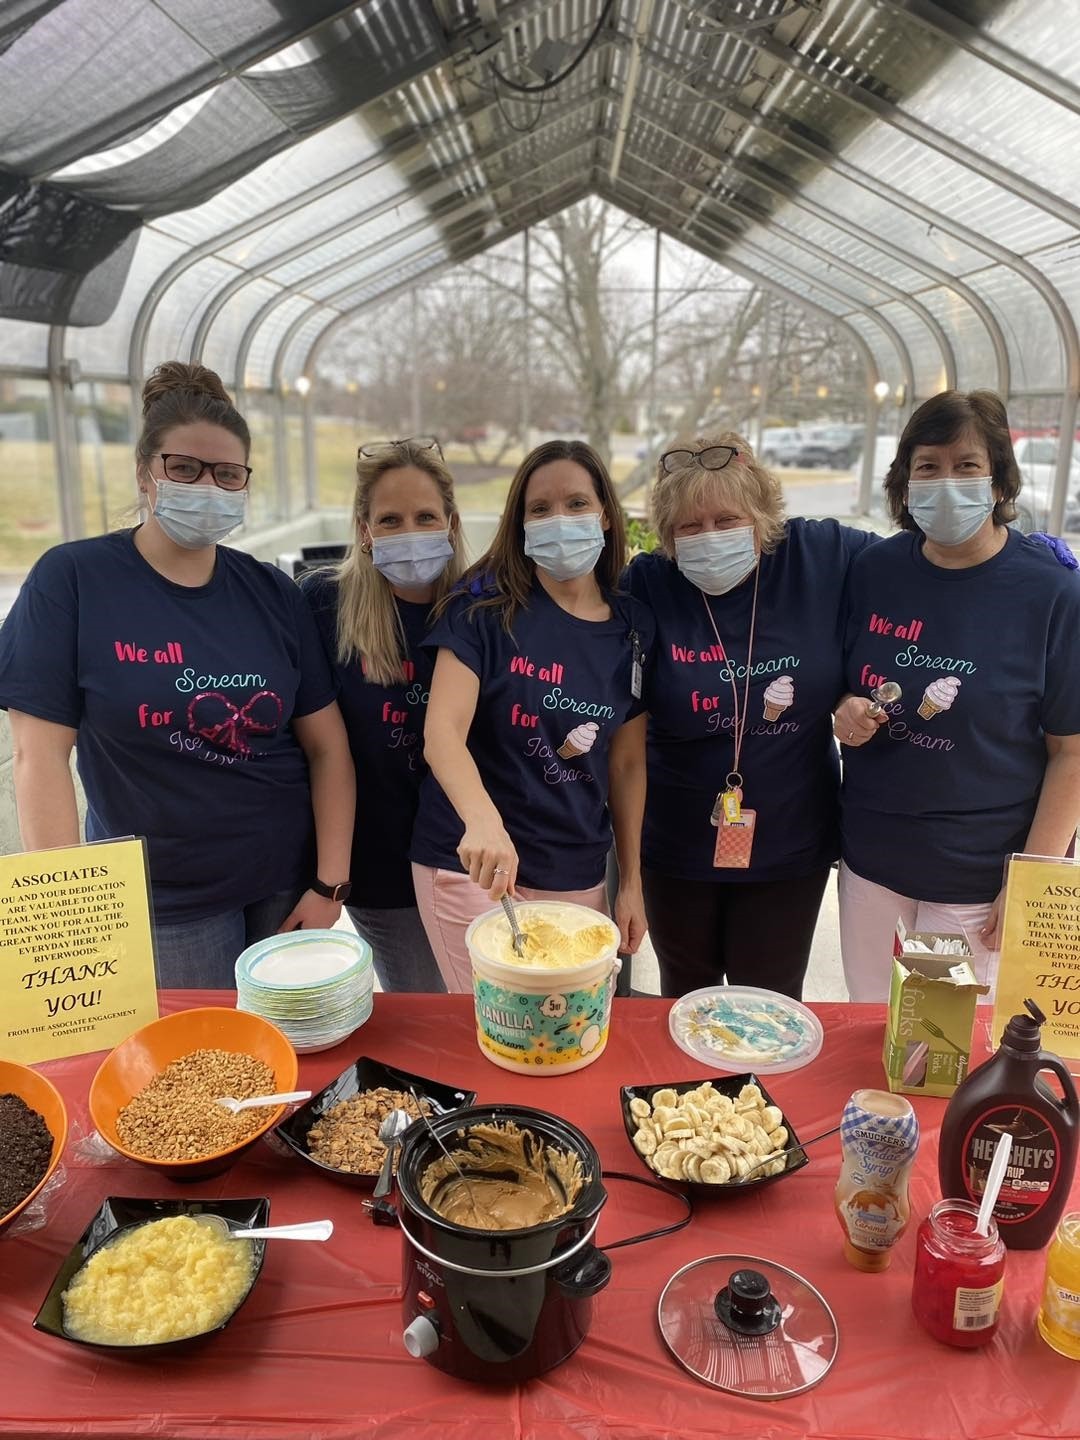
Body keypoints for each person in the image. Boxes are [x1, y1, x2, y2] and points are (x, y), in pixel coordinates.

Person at [0, 361, 355, 987]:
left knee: (295, 1057)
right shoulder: (74, 581)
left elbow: (327, 747)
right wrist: (67, 920)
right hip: (163, 902)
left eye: (227, 473)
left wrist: (331, 883)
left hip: (286, 881)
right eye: (184, 468)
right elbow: (39, 758)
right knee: (200, 1068)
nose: (208, 486)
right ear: (145, 472)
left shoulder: (273, 591)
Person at [835, 390, 1080, 999]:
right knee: (869, 1025)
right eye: (928, 466)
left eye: (967, 465)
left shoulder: (1050, 594)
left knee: (935, 1056)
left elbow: (1071, 751)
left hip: (973, 879)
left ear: (999, 481)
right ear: (905, 482)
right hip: (870, 861)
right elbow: (843, 681)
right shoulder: (876, 571)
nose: (946, 482)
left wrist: (1032, 881)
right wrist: (844, 712)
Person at [626, 432, 876, 1000]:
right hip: (675, 841)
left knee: (771, 1000)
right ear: (667, 536)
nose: (709, 537)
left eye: (726, 518)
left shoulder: (820, 555)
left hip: (790, 840)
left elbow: (918, 568)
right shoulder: (646, 583)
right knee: (684, 996)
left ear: (762, 517)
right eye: (688, 527)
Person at [410, 439, 654, 992]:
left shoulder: (634, 627)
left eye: (576, 504)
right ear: (519, 524)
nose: (558, 519)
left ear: (607, 517)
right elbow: (442, 732)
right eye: (539, 509)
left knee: (570, 1029)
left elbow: (628, 763)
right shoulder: (481, 610)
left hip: (578, 868)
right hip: (474, 867)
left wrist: (632, 881)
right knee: (497, 1031)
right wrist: (482, 821)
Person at [302, 437, 465, 992]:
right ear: (365, 530)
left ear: (451, 522)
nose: (410, 532)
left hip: (468, 865)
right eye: (390, 520)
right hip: (378, 869)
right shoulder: (325, 606)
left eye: (425, 517)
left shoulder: (482, 609)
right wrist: (330, 878)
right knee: (424, 1008)